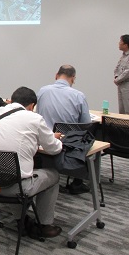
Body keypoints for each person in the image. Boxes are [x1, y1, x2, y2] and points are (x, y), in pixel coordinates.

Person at [0, 86, 63, 238]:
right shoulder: (34, 118)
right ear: (32, 106)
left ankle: (21, 218)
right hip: (15, 187)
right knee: (53, 175)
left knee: (12, 171)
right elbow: (53, 149)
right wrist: (56, 139)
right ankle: (45, 225)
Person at [37, 65, 91, 195]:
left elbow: (38, 115)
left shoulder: (42, 91)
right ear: (73, 78)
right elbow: (86, 125)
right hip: (68, 145)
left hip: (44, 141)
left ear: (56, 75)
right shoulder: (79, 96)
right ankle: (78, 182)